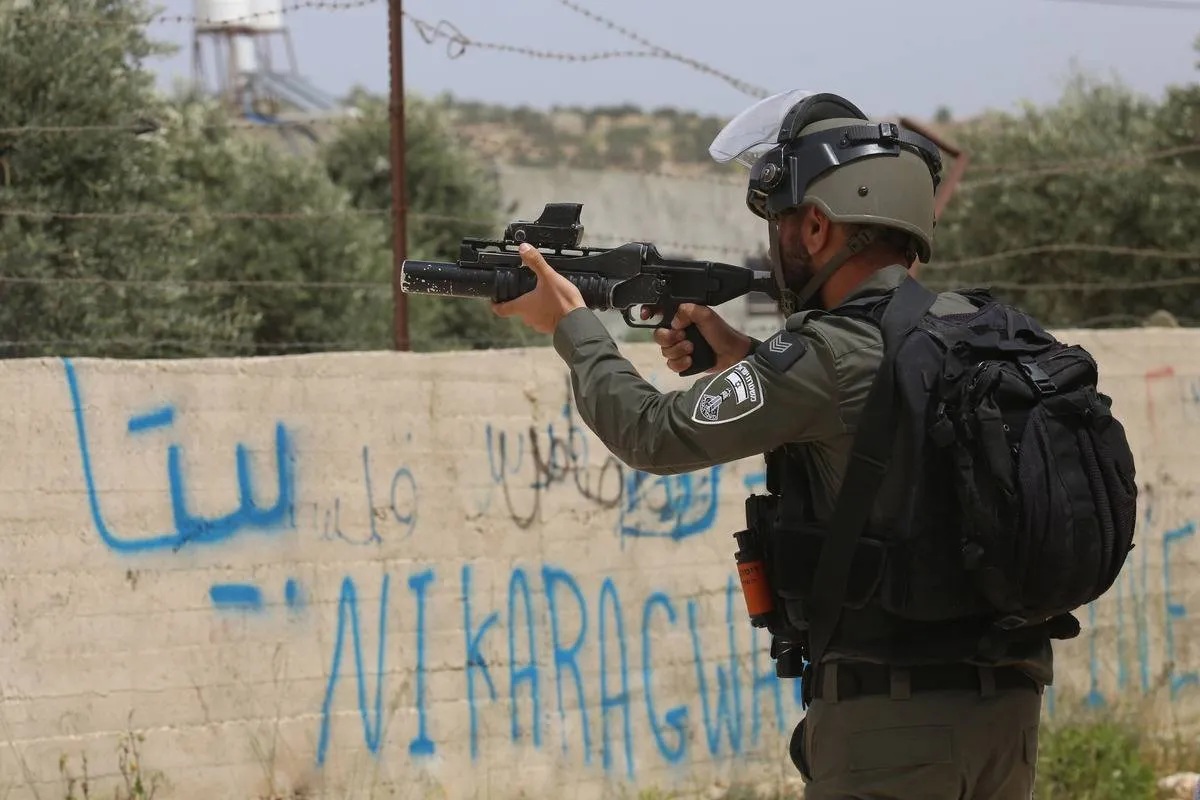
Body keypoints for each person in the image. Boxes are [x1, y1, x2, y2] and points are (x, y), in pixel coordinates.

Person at [492, 90, 1061, 799]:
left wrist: (570, 327)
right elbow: (869, 423)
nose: (775, 243)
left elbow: (652, 433)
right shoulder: (961, 329)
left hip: (895, 725)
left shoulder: (827, 354)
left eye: (782, 221)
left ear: (818, 226)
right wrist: (745, 357)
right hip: (1006, 715)